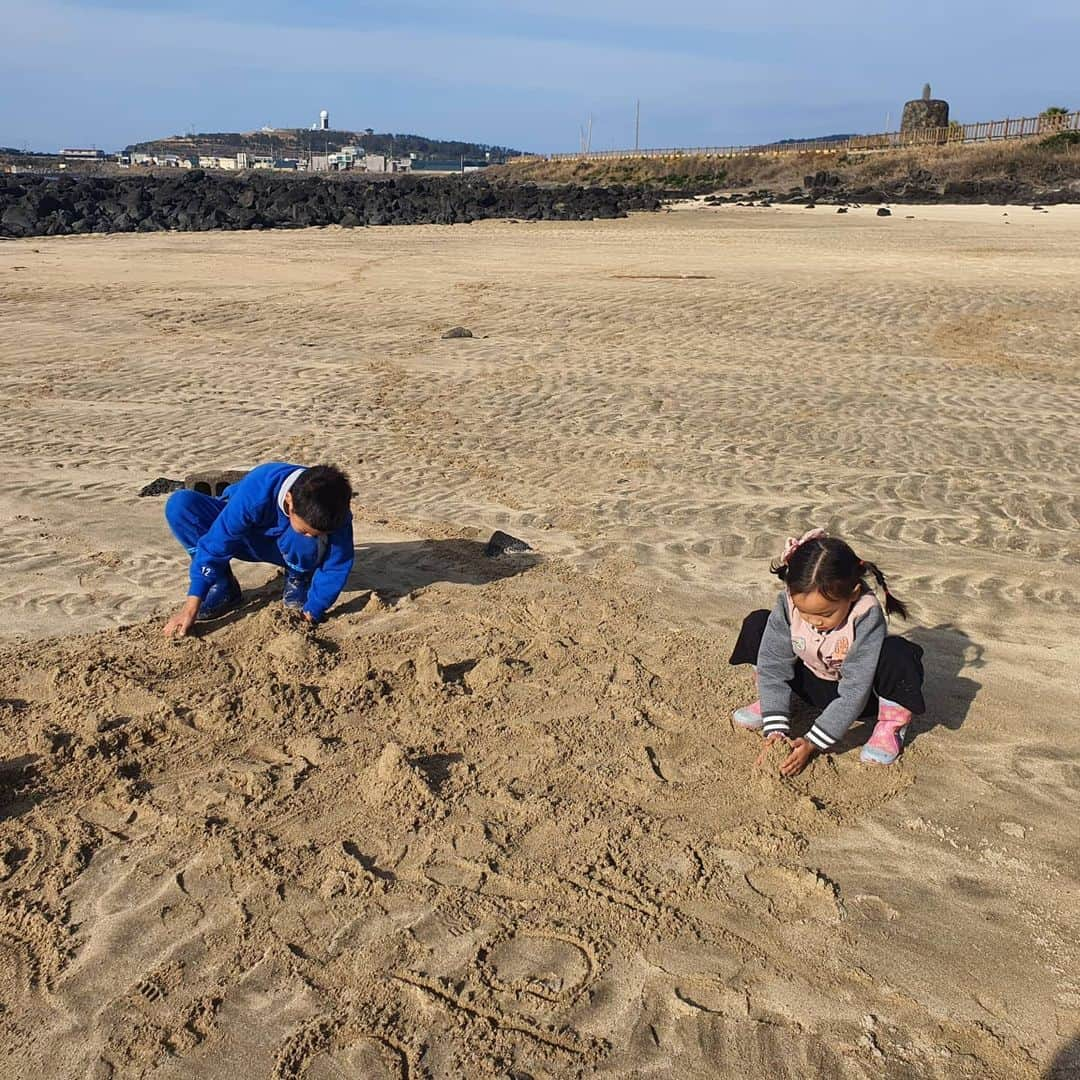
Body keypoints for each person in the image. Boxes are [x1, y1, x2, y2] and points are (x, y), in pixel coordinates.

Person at [728, 529, 925, 775]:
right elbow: (774, 664)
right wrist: (776, 729)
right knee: (758, 624)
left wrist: (813, 742)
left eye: (825, 614)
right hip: (810, 681)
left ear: (852, 594)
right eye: (805, 612)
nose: (814, 622)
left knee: (898, 654)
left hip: (861, 696)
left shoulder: (865, 614)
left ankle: (890, 725)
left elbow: (855, 689)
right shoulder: (788, 601)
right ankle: (774, 705)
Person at [162, 462, 353, 638]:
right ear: (289, 500)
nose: (313, 536)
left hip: (290, 548)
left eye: (318, 534)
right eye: (307, 529)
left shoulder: (336, 508)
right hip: (244, 536)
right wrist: (191, 606)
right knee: (180, 505)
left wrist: (313, 609)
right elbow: (217, 542)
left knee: (303, 539)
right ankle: (222, 585)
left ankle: (299, 577)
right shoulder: (258, 488)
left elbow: (336, 565)